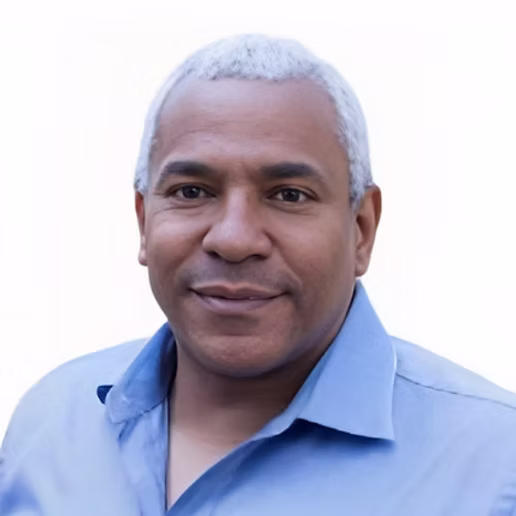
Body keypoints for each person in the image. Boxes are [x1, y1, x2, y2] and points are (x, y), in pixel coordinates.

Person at [1, 34, 516, 516]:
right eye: (191, 191)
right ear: (143, 221)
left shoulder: (493, 469)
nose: (233, 239)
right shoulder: (52, 423)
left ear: (361, 230)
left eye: (289, 195)